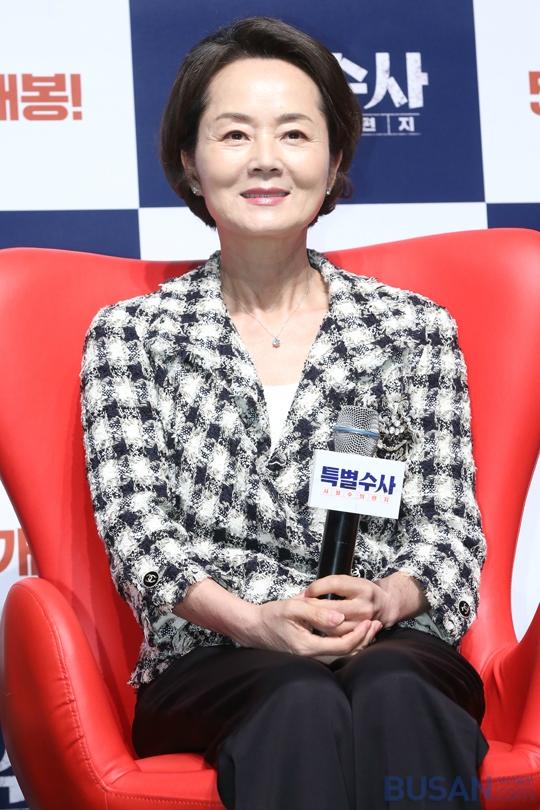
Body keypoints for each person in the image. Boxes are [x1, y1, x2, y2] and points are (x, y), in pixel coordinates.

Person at [80, 15, 489, 810]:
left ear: (333, 163)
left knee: (396, 689)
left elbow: (450, 532)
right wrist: (254, 622)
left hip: (388, 642)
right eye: (235, 134)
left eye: (295, 134)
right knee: (300, 699)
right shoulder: (133, 334)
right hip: (215, 655)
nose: (265, 158)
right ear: (190, 161)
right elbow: (139, 534)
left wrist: (388, 599)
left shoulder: (410, 330)